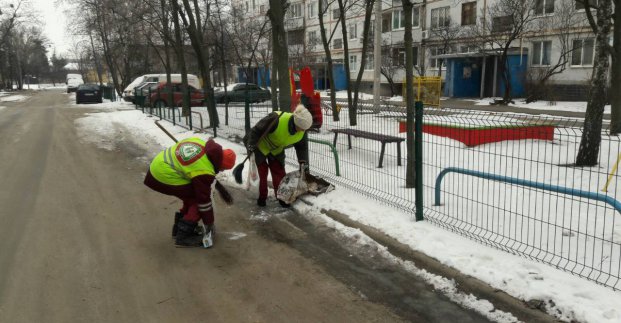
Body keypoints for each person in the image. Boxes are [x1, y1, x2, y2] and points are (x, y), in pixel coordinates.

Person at [144, 137, 236, 248]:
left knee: (191, 196)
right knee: (198, 201)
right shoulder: (204, 169)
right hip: (162, 175)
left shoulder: (201, 142)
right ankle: (183, 236)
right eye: (223, 169)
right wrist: (209, 224)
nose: (222, 171)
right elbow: (204, 201)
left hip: (158, 165)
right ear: (221, 164)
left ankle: (178, 229)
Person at [244, 104, 313, 207]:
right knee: (261, 173)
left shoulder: (302, 131)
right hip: (260, 146)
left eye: (305, 129)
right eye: (302, 128)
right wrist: (251, 146)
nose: (303, 131)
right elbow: (256, 131)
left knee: (279, 173)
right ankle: (262, 197)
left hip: (276, 148)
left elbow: (301, 147)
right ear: (296, 123)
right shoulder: (276, 119)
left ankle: (282, 198)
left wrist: (302, 162)